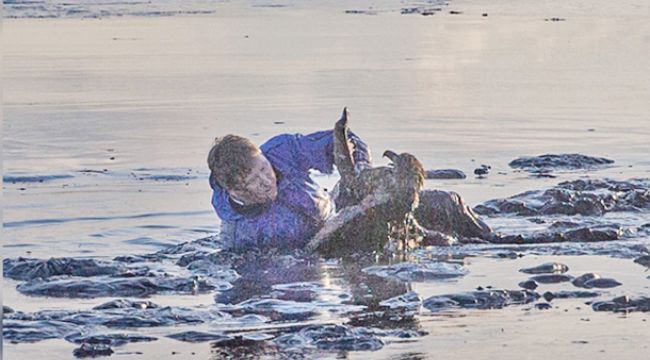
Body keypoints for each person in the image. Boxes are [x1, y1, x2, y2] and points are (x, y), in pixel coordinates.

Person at [207, 116, 371, 251]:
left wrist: (360, 170)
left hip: (334, 218)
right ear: (235, 192)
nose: (267, 181)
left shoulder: (285, 153)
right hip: (304, 253)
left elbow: (336, 141)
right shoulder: (238, 234)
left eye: (264, 168)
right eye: (254, 181)